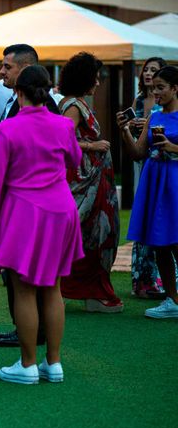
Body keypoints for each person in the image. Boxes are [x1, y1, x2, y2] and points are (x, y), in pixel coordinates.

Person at [0, 65, 84, 384]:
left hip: (25, 212)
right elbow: (75, 160)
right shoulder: (63, 125)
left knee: (24, 289)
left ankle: (28, 364)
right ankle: (54, 363)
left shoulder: (7, 128)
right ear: (46, 92)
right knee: (53, 288)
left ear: (18, 93)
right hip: (61, 209)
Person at [0, 44, 58, 347]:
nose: (2, 71)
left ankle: (32, 341)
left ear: (26, 68)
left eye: (8, 66)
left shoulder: (47, 110)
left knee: (29, 281)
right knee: (25, 280)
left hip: (28, 205)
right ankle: (39, 344)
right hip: (33, 204)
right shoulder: (10, 101)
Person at [58, 52, 122, 313]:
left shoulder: (78, 102)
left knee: (97, 236)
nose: (98, 82)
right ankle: (86, 292)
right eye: (95, 78)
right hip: (84, 183)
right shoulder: (73, 105)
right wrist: (92, 145)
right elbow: (63, 138)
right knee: (91, 237)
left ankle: (91, 292)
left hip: (94, 181)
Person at [121, 65, 178, 319]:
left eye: (161, 88)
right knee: (160, 243)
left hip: (175, 181)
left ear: (175, 89)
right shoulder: (154, 117)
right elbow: (138, 153)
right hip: (155, 181)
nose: (155, 93)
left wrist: (173, 148)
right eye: (153, 88)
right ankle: (172, 299)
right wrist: (123, 131)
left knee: (176, 241)